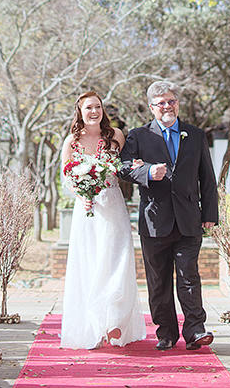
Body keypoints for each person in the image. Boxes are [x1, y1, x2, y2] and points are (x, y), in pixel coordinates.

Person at [119, 80, 218, 352]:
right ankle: (166, 333)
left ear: (177, 103)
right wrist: (148, 172)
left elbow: (207, 178)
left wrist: (210, 213)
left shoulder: (195, 135)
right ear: (152, 107)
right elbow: (123, 168)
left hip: (188, 219)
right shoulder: (139, 136)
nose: (167, 106)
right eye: (161, 102)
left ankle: (195, 330)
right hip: (154, 221)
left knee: (189, 277)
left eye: (171, 101)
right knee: (158, 281)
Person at [60, 90, 145, 350]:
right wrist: (81, 193)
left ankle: (115, 320)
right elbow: (66, 177)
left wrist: (135, 165)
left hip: (113, 204)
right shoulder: (71, 141)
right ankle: (94, 325)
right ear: (80, 112)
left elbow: (125, 166)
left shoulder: (116, 136)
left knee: (117, 259)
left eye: (97, 106)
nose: (94, 112)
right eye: (88, 108)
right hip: (87, 210)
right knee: (90, 262)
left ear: (103, 109)